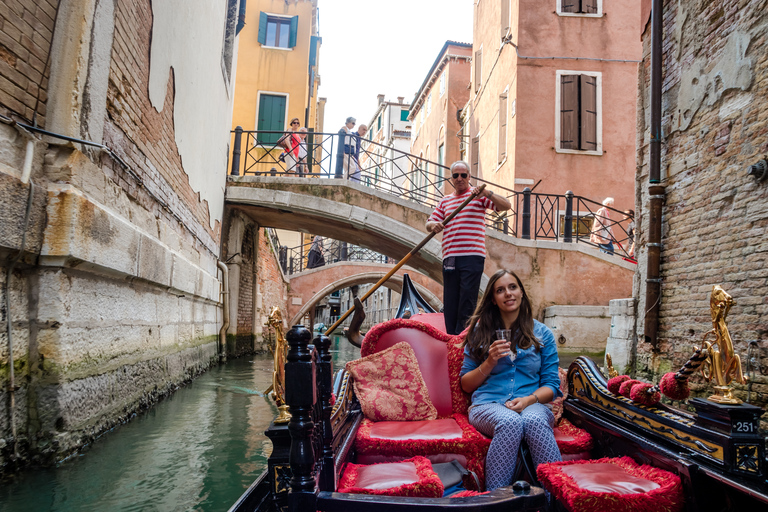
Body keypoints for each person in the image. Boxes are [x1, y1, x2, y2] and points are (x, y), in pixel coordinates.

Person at [460, 269, 562, 491]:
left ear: (521, 293)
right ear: (493, 300)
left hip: (532, 404)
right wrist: (489, 361)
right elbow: (466, 384)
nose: (508, 293)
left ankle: (555, 499)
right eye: (500, 290)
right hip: (487, 404)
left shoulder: (542, 333)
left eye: (512, 287)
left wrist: (527, 401)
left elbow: (552, 386)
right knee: (509, 422)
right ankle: (496, 501)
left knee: (533, 421)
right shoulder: (480, 332)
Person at [426, 161, 511, 335]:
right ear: (451, 178)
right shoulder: (445, 202)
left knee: (467, 302)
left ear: (469, 177)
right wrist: (434, 225)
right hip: (450, 257)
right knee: (450, 303)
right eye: (455, 175)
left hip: (472, 256)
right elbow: (429, 223)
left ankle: (462, 342)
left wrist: (487, 193)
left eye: (463, 175)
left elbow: (506, 206)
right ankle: (451, 338)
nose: (459, 179)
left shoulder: (478, 197)